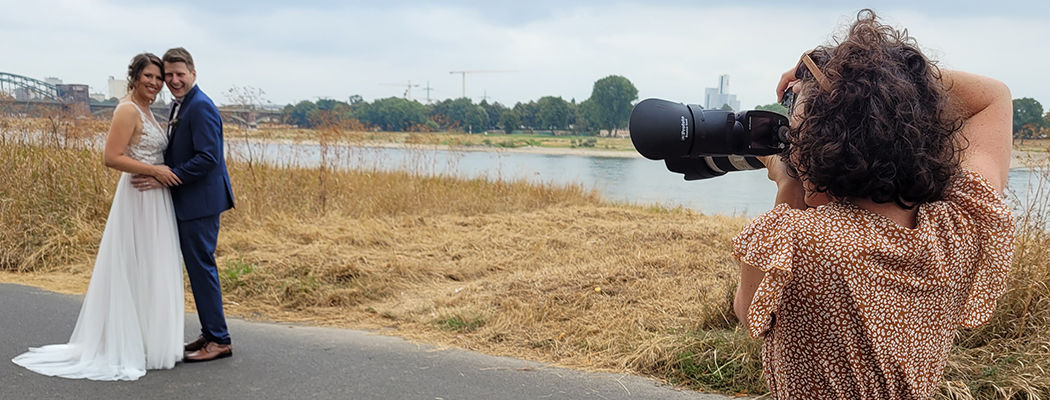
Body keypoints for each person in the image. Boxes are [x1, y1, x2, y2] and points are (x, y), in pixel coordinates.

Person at [732, 10, 1013, 398]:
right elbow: (993, 99)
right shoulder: (957, 230)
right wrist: (891, 78)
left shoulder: (792, 238)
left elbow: (751, 315)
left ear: (819, 140)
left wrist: (788, 186)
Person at [12, 53, 185, 381]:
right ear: (134, 77)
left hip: (156, 198)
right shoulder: (126, 110)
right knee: (134, 266)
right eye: (148, 76)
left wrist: (161, 175)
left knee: (152, 266)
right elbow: (111, 157)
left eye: (159, 78)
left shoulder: (148, 110)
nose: (155, 83)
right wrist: (154, 170)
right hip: (137, 198)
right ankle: (120, 342)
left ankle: (148, 339)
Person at [132, 47, 236, 363]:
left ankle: (219, 339)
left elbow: (208, 158)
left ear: (193, 73)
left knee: (202, 269)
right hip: (192, 200)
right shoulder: (183, 104)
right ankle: (210, 332)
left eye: (180, 74)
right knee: (197, 268)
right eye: (169, 75)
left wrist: (166, 177)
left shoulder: (200, 107)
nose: (174, 81)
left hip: (200, 203)